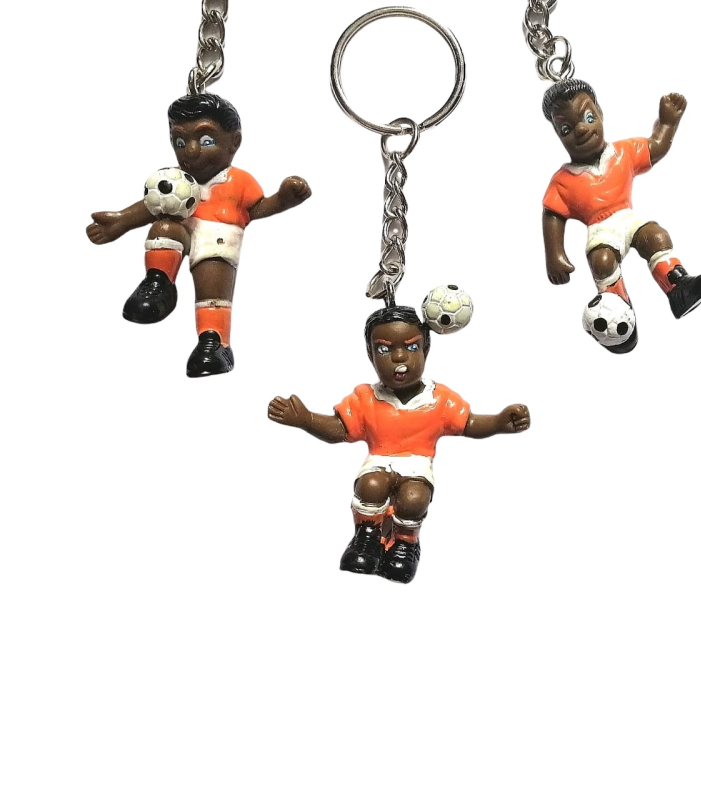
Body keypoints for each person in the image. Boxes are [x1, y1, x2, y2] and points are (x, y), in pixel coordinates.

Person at [267, 304, 531, 583]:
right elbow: (340, 429)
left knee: (414, 498)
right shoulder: (366, 398)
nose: (399, 357)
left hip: (416, 464)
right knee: (371, 485)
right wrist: (306, 419)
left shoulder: (439, 399)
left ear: (426, 349)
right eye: (383, 349)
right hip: (380, 460)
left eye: (412, 347)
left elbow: (469, 423)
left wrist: (499, 422)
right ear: (370, 355)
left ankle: (405, 544)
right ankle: (366, 538)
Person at [86, 93, 311, 376]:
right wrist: (121, 220)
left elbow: (257, 208)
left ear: (234, 142)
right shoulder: (175, 179)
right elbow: (152, 206)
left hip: (219, 237)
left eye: (205, 140)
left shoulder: (239, 181)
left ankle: (214, 341)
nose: (191, 151)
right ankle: (159, 284)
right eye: (180, 141)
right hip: (182, 230)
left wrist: (284, 199)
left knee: (212, 286)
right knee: (164, 228)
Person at [540, 80, 701, 351]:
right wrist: (554, 255)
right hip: (600, 229)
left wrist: (667, 123)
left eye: (588, 117)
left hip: (627, 218)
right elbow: (552, 215)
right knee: (602, 261)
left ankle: (678, 288)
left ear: (601, 113)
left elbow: (655, 147)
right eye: (566, 129)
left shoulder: (622, 153)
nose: (581, 129)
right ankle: (618, 316)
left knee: (656, 236)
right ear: (557, 134)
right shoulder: (563, 180)